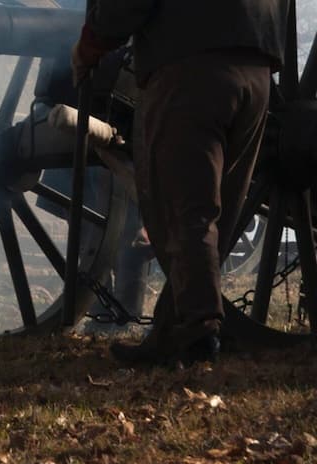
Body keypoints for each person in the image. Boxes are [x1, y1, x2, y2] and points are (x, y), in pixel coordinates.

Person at [74, 0, 283, 364]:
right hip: (258, 68)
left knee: (182, 207)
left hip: (191, 68)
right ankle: (170, 333)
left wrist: (91, 43)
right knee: (221, 206)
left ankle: (199, 331)